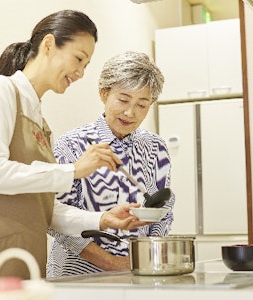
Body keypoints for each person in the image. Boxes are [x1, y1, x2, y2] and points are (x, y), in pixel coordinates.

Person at [0, 10, 148, 280]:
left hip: (29, 254)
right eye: (79, 58)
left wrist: (102, 219)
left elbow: (45, 208)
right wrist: (73, 171)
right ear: (48, 44)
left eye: (86, 64)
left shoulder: (41, 122)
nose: (81, 72)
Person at [46, 51, 175, 278]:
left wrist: (146, 259)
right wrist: (112, 262)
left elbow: (163, 212)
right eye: (123, 100)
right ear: (104, 93)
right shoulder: (72, 145)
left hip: (138, 271)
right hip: (78, 275)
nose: (130, 112)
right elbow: (55, 219)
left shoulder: (156, 147)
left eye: (142, 104)